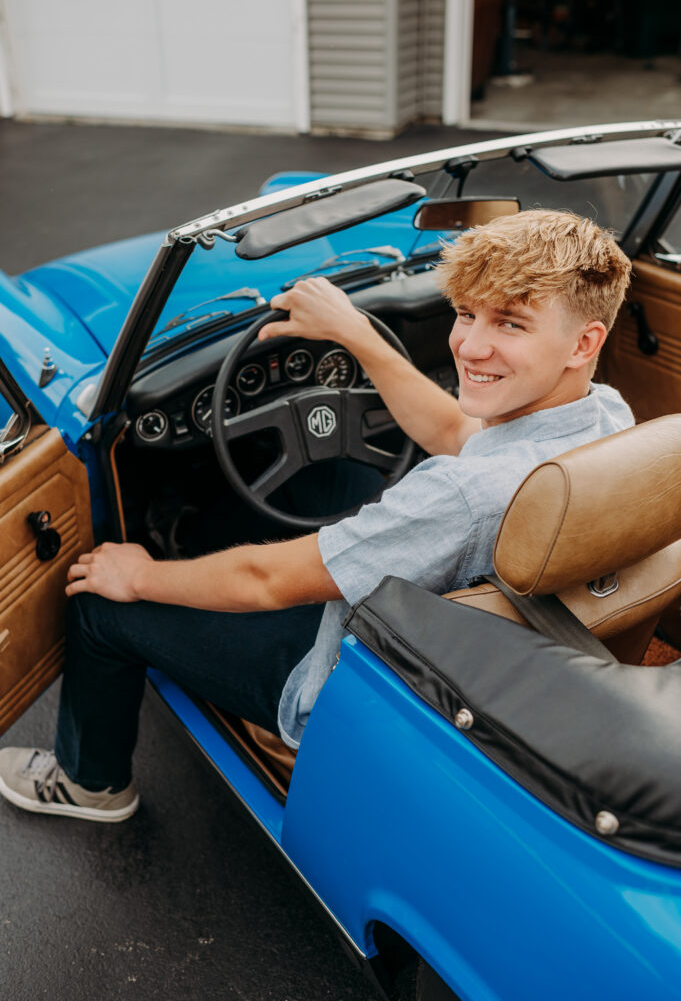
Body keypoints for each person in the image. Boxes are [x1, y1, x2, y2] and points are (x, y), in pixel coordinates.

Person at [0, 209, 634, 822]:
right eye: (466, 313)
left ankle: (90, 785)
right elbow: (451, 427)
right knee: (328, 476)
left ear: (584, 342)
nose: (470, 344)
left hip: (341, 683)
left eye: (511, 325)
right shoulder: (605, 417)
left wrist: (137, 575)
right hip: (469, 637)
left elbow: (265, 581)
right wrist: (354, 332)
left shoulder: (465, 495)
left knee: (100, 604)